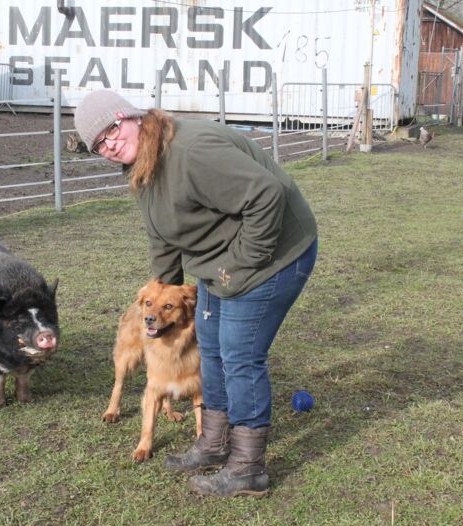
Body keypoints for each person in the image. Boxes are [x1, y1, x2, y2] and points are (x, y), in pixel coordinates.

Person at [75, 90, 318, 497]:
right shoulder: (143, 165)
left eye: (111, 130)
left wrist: (239, 265)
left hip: (276, 251)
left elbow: (266, 196)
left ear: (131, 116)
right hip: (223, 261)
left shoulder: (190, 152)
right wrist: (161, 293)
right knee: (211, 346)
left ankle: (247, 468)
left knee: (240, 354)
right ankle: (214, 443)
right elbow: (163, 236)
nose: (109, 146)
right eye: (99, 144)